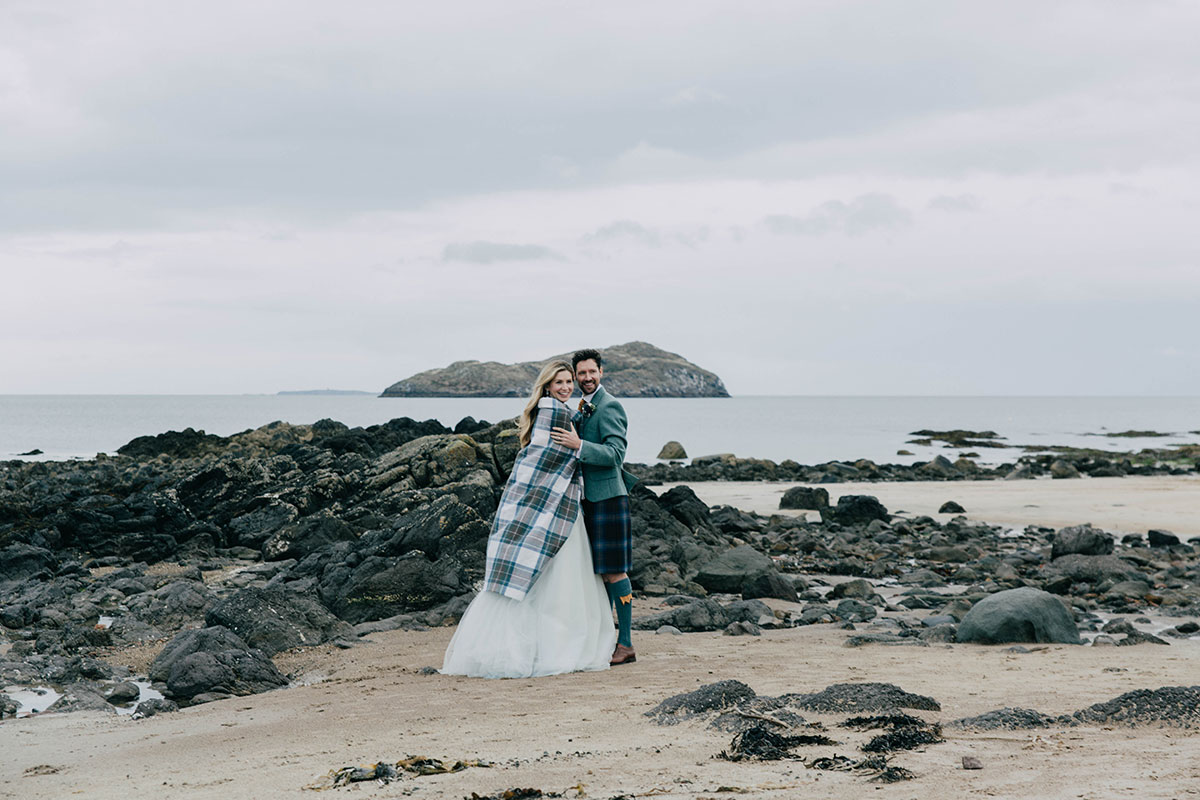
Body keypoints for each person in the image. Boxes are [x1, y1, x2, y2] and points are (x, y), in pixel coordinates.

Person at [441, 361, 616, 678]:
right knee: (561, 582)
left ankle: (536, 645)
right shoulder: (556, 412)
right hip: (557, 507)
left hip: (554, 503)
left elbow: (536, 460)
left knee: (546, 580)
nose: (565, 386)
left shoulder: (548, 411)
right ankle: (557, 646)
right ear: (547, 386)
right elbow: (550, 461)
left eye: (568, 381)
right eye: (558, 382)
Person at [549, 348, 636, 665]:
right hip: (585, 499)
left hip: (609, 498)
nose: (586, 378)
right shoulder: (582, 407)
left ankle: (625, 644)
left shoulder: (610, 406)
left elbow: (615, 455)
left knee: (614, 570)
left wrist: (579, 445)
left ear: (601, 372)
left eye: (591, 372)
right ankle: (604, 639)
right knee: (597, 572)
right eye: (580, 374)